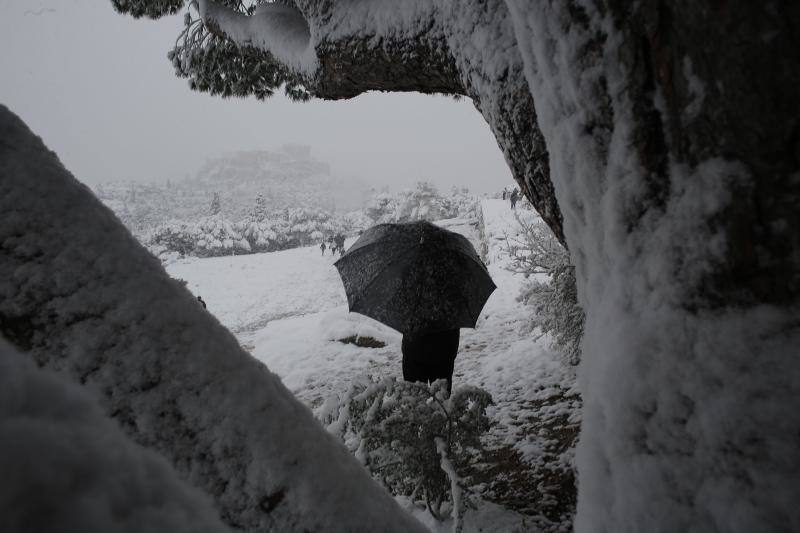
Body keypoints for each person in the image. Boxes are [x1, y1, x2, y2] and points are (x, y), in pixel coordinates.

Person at [401, 328, 460, 396]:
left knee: (415, 398)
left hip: (414, 349)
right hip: (444, 349)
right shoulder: (450, 319)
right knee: (441, 398)